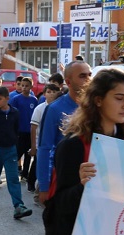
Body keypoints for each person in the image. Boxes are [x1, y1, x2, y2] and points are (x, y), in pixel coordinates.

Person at [48, 68, 124, 235]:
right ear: (98, 100)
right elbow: (58, 206)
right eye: (119, 98)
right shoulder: (73, 145)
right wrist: (82, 186)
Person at [37, 60, 92, 205]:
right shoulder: (54, 109)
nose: (88, 79)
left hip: (91, 183)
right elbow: (44, 148)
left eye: (90, 75)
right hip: (64, 182)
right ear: (68, 81)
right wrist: (44, 186)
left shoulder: (95, 108)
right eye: (82, 76)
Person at [0, 86, 33, 219]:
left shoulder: (15, 112)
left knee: (13, 179)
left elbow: (16, 130)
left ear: (7, 98)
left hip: (10, 150)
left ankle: (18, 206)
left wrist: (14, 144)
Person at [29, 84, 61, 196]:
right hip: (41, 145)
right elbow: (33, 127)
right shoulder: (40, 108)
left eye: (54, 91)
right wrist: (34, 146)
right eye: (49, 91)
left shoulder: (59, 108)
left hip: (56, 146)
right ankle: (39, 193)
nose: (51, 94)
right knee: (42, 169)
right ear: (44, 94)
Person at [9, 77, 38, 183]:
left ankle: (25, 174)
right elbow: (11, 114)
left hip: (30, 132)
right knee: (17, 153)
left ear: (31, 87)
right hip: (19, 131)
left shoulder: (34, 100)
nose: (24, 88)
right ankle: (11, 173)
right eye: (22, 85)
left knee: (28, 154)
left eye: (26, 86)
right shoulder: (16, 99)